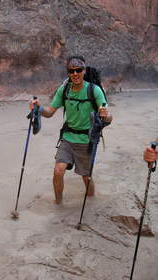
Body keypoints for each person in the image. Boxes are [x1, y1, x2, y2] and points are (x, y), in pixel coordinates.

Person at [30, 55, 113, 204]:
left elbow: (108, 118)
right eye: (71, 70)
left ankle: (91, 202)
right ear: (68, 72)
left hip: (87, 140)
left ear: (84, 71)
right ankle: (58, 204)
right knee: (58, 170)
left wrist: (106, 115)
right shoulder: (64, 89)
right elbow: (49, 112)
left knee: (86, 177)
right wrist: (38, 108)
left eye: (78, 70)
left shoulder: (95, 91)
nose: (75, 74)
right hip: (67, 137)